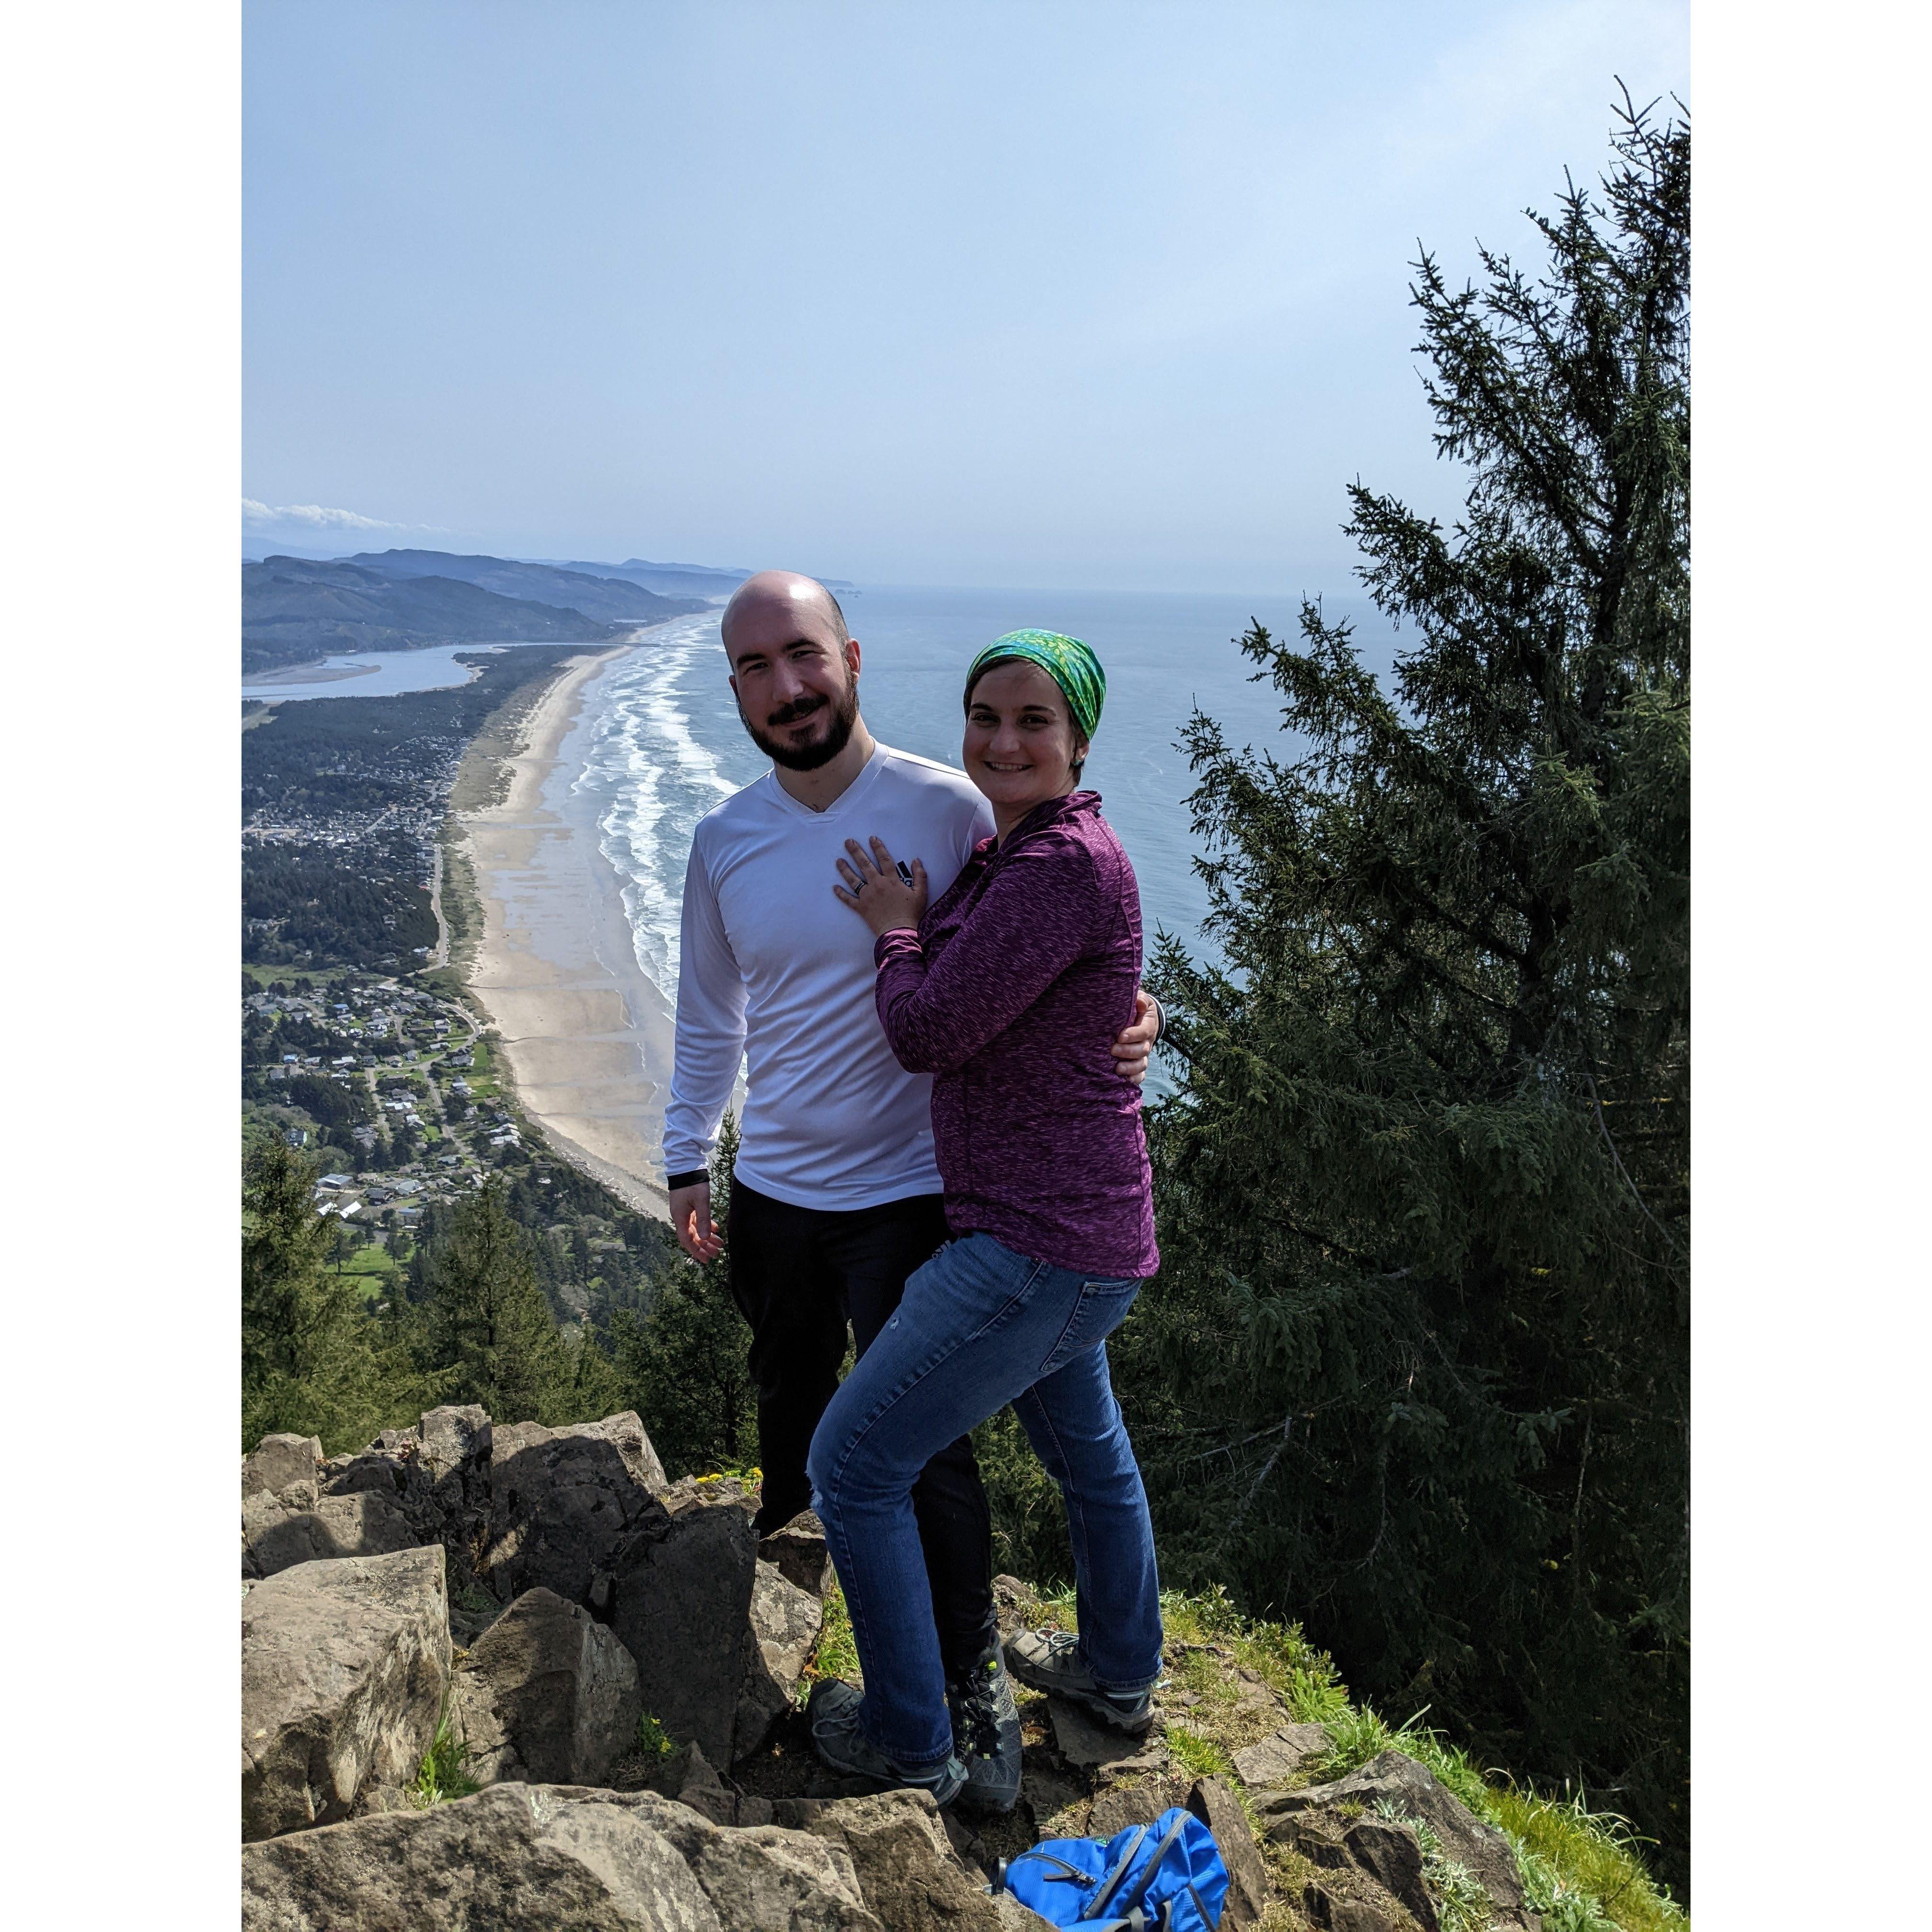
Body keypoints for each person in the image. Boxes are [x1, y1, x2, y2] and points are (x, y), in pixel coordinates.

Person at [664, 575, 1162, 1810]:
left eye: (805, 656)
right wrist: (687, 1154)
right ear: (736, 689)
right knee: (795, 1420)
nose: (786, 687)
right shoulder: (724, 839)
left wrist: (1139, 1020)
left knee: (904, 1460)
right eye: (755, 669)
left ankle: (950, 1690)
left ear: (851, 660)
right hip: (777, 1188)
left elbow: (1043, 950)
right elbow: (707, 1020)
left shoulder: (953, 812)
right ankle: (803, 1631)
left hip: (921, 1197)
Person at [804, 628, 1165, 1806]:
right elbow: (1068, 989)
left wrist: (893, 927)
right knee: (1088, 1456)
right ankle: (1118, 1675)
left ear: (1079, 740)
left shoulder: (1058, 863)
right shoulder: (1026, 854)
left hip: (1034, 1245)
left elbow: (929, 1032)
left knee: (853, 1464)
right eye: (985, 717)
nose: (1003, 740)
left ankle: (917, 1745)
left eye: (1033, 722)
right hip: (1075, 1228)